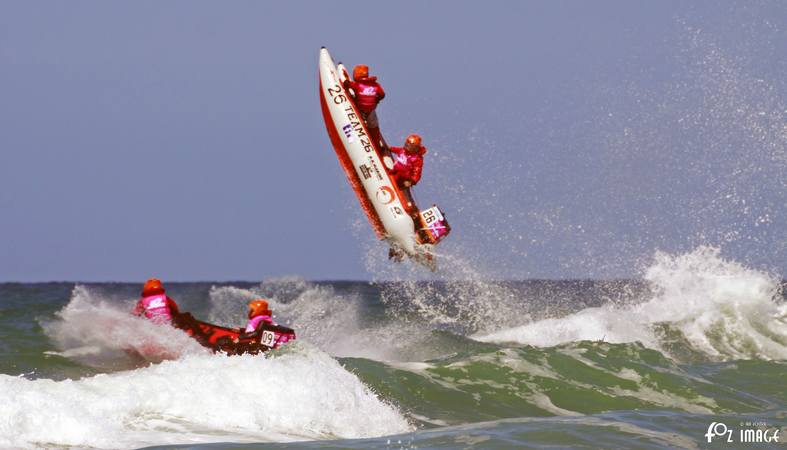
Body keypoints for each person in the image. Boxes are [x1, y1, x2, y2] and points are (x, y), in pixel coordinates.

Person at [344, 64, 386, 149]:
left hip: (360, 110)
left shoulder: (357, 85)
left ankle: (362, 139)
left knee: (362, 123)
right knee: (374, 127)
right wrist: (376, 100)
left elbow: (347, 84)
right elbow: (382, 94)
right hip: (371, 111)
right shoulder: (376, 85)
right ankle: (378, 145)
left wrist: (346, 83)